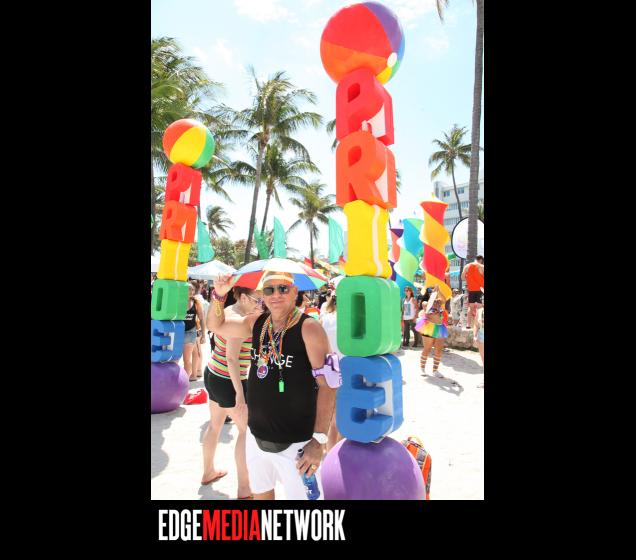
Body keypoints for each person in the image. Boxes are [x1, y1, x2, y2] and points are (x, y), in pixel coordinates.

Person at [207, 271, 336, 500]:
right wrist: (219, 295)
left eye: (283, 288)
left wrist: (319, 441)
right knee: (262, 496)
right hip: (256, 437)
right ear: (263, 295)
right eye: (269, 289)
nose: (276, 295)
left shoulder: (309, 328)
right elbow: (216, 325)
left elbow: (329, 385)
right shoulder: (257, 322)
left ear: (295, 292)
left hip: (297, 443)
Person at [201, 285, 263, 498]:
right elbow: (232, 359)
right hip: (229, 381)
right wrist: (240, 393)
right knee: (246, 432)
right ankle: (244, 488)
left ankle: (208, 471)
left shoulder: (229, 311)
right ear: (244, 297)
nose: (261, 305)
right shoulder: (238, 318)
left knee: (214, 425)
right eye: (257, 300)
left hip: (213, 373)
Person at [319, 294, 343, 452]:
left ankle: (329, 453)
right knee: (341, 418)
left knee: (331, 418)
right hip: (346, 367)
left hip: (329, 366)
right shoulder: (349, 320)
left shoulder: (324, 319)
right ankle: (336, 454)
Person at [416, 288, 449, 378]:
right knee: (427, 348)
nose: (433, 293)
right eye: (431, 292)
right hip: (429, 327)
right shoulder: (425, 303)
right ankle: (422, 368)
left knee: (438, 350)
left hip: (440, 327)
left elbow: (444, 299)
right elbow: (427, 307)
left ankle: (435, 370)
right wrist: (433, 296)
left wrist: (439, 291)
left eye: (433, 292)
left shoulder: (439, 302)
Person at [183, 282, 207, 382]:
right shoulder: (179, 301)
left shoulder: (196, 302)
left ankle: (185, 380)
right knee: (178, 359)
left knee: (186, 359)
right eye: (189, 289)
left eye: (192, 289)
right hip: (178, 332)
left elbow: (202, 319)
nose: (191, 291)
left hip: (190, 332)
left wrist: (203, 335)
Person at [461, 255, 484, 329]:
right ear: (481, 260)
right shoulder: (481, 266)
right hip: (480, 290)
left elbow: (462, 278)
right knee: (479, 308)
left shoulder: (467, 266)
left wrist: (469, 279)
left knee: (470, 307)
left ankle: (468, 325)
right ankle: (478, 325)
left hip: (471, 290)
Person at [473, 288, 484, 387]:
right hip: (482, 336)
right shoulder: (480, 311)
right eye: (482, 299)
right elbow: (476, 325)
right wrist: (474, 336)